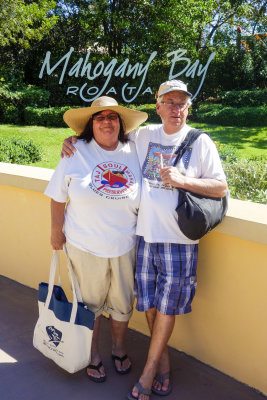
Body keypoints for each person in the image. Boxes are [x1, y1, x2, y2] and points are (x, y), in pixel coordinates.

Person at [61, 80, 228, 400]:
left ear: (188, 108)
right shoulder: (144, 135)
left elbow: (220, 188)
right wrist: (71, 140)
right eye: (170, 102)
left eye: (182, 103)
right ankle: (162, 361)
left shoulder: (200, 141)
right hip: (144, 238)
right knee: (150, 306)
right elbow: (105, 136)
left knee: (166, 308)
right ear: (158, 106)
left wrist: (183, 180)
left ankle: (150, 372)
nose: (176, 109)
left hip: (179, 240)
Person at [44, 96, 148, 383]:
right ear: (91, 124)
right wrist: (56, 231)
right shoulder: (76, 151)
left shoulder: (135, 149)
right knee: (89, 304)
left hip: (125, 244)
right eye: (99, 117)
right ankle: (92, 353)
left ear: (121, 122)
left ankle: (118, 348)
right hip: (85, 244)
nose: (106, 121)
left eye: (112, 116)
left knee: (122, 303)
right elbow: (57, 195)